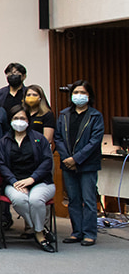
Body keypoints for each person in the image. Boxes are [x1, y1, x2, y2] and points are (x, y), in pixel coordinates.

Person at [0, 105, 56, 252]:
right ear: (10, 120)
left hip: (40, 181)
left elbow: (47, 162)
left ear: (28, 121)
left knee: (36, 200)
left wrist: (32, 179)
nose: (19, 121)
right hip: (14, 182)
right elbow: (1, 164)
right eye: (16, 118)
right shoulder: (3, 141)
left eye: (22, 118)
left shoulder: (39, 139)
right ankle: (40, 230)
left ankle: (39, 234)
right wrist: (13, 181)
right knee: (20, 200)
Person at [55, 80, 104, 247]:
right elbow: (58, 138)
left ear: (89, 96)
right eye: (76, 93)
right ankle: (77, 232)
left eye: (82, 93)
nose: (79, 96)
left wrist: (76, 159)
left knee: (89, 199)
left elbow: (95, 141)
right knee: (73, 199)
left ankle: (89, 233)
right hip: (67, 163)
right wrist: (67, 158)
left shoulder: (95, 116)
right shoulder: (64, 114)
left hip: (87, 164)